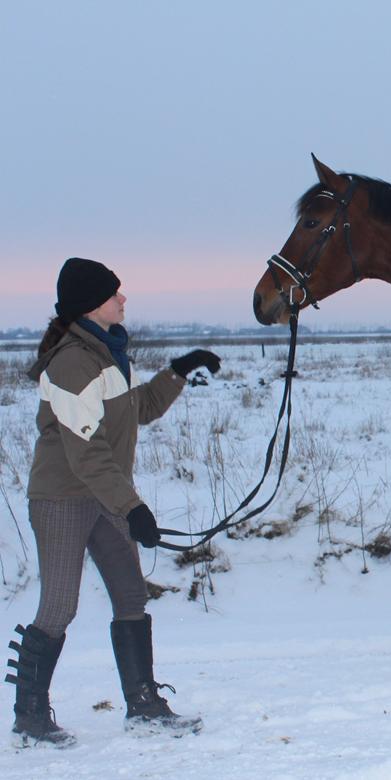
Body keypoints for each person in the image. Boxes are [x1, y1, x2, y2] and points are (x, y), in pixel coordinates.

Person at [5, 258, 221, 747]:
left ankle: (143, 705)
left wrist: (178, 371)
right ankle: (30, 718)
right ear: (91, 304)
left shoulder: (107, 353)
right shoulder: (71, 363)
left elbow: (136, 411)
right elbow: (87, 455)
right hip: (63, 498)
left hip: (103, 495)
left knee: (130, 595)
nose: (124, 300)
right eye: (115, 294)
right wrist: (133, 507)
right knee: (59, 607)